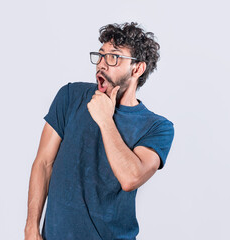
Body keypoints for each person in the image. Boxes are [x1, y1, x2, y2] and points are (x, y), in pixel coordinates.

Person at [24, 22, 175, 240]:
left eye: (114, 57)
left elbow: (130, 178)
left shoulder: (157, 127)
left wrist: (105, 120)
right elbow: (43, 163)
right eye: (101, 55)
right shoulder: (70, 96)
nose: (102, 64)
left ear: (137, 68)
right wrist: (31, 228)